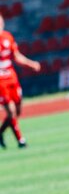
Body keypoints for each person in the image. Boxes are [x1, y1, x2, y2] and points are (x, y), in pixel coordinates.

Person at [0, 13, 40, 149]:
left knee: (17, 111)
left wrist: (31, 64)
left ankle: (1, 132)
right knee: (11, 111)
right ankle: (21, 141)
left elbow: (16, 56)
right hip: (0, 81)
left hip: (11, 77)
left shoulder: (8, 37)